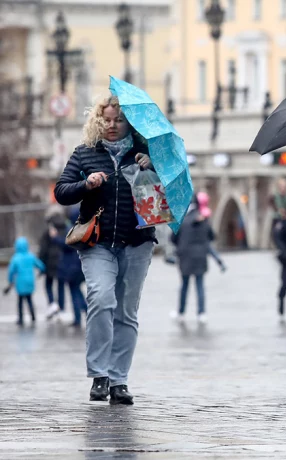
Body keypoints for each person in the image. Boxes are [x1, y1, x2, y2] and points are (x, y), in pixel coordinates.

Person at [54, 94, 156, 405]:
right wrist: (86, 185)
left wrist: (153, 168)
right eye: (106, 120)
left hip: (137, 241)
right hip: (97, 242)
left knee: (126, 311)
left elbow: (170, 193)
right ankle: (99, 373)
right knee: (100, 297)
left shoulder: (146, 153)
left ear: (130, 124)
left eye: (119, 120)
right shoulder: (85, 153)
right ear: (98, 120)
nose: (111, 126)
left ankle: (119, 380)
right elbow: (61, 192)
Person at [171, 193, 216, 324]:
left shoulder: (182, 220)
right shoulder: (204, 219)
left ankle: (181, 312)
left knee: (184, 285)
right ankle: (201, 313)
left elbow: (173, 239)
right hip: (200, 256)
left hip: (185, 257)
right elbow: (212, 236)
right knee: (200, 285)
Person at [54, 208, 88, 327]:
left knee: (74, 292)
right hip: (80, 266)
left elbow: (67, 245)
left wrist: (55, 238)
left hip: (72, 268)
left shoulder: (73, 230)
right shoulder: (84, 229)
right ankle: (86, 310)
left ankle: (78, 318)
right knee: (77, 290)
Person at [8, 237, 45, 326]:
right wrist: (40, 273)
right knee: (29, 300)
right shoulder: (31, 256)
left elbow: (11, 271)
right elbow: (41, 266)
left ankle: (20, 319)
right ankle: (33, 316)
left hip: (20, 283)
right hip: (30, 282)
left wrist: (10, 281)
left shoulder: (15, 258)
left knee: (20, 301)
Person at [38, 209, 68, 320]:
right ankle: (61, 308)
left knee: (48, 284)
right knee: (61, 286)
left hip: (50, 261)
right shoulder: (66, 229)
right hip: (62, 261)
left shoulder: (49, 231)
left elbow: (43, 249)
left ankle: (52, 304)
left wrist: (41, 262)